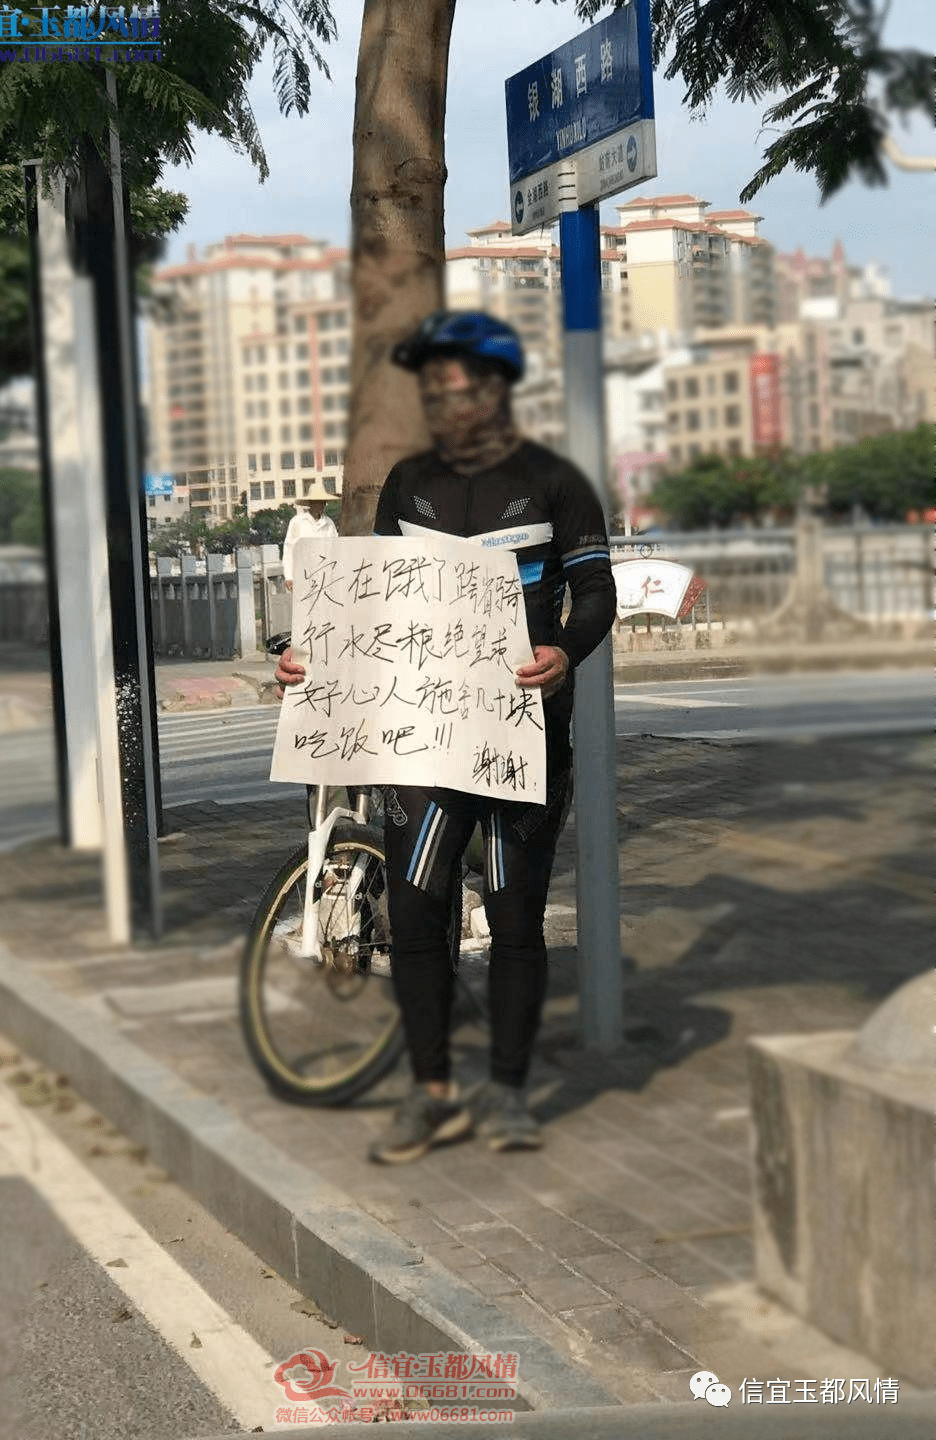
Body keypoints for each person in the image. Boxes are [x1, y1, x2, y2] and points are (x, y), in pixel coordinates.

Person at [275, 311, 617, 1163]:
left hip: (519, 734)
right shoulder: (408, 484)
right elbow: (371, 602)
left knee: (514, 918)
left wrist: (563, 651)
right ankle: (430, 1094)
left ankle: (505, 1092)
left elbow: (598, 594)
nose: (449, 403)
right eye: (436, 390)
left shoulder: (555, 482)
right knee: (419, 913)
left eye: (464, 388)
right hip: (422, 739)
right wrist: (307, 657)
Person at [281, 494, 338, 590]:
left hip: (324, 574)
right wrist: (289, 576)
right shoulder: (297, 522)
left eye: (324, 503)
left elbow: (335, 549)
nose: (321, 506)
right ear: (311, 503)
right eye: (318, 502)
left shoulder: (329, 523)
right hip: (303, 573)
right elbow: (289, 550)